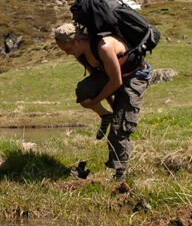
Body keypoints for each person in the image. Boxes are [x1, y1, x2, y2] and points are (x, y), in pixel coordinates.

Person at [53, 21, 150, 183]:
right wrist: (110, 104)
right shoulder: (81, 54)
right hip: (114, 77)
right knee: (84, 92)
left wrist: (96, 101)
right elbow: (99, 80)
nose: (67, 53)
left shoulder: (104, 47)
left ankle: (120, 176)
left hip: (134, 76)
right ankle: (106, 116)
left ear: (76, 41)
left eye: (68, 49)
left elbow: (116, 82)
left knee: (119, 128)